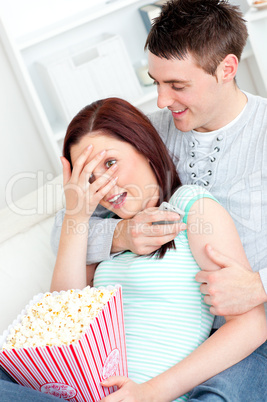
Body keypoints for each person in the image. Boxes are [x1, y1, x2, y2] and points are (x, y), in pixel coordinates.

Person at [50, 1, 267, 400]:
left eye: (177, 86)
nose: (163, 101)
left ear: (227, 69)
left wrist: (260, 285)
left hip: (248, 329)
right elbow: (66, 230)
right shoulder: (150, 132)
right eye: (156, 83)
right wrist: (122, 234)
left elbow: (251, 322)